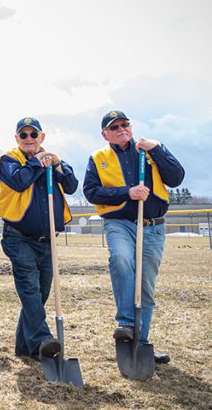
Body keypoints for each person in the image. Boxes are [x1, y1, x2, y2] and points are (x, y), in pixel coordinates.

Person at [83, 110, 184, 365]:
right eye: (114, 127)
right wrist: (128, 192)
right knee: (121, 259)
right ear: (104, 133)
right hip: (120, 223)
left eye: (124, 124)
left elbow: (176, 178)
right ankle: (126, 323)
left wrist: (157, 149)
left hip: (153, 226)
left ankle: (140, 345)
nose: (121, 129)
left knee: (146, 287)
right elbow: (91, 192)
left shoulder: (149, 152)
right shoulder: (98, 158)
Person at [0, 117, 78, 361]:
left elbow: (72, 186)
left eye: (34, 135)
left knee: (39, 294)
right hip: (18, 237)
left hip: (47, 240)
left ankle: (26, 347)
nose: (29, 139)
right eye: (24, 135)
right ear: (17, 138)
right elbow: (19, 182)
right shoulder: (8, 160)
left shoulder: (51, 160)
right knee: (29, 289)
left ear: (42, 137)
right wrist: (37, 163)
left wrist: (57, 164)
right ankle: (43, 338)